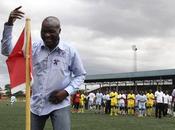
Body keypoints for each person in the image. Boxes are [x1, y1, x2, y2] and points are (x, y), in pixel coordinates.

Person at [1, 6, 86, 130]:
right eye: (44, 31)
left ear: (59, 31)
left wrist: (66, 92)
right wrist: (9, 24)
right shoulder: (32, 48)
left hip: (60, 104)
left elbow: (80, 75)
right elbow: (7, 51)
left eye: (51, 31)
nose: (47, 35)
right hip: (37, 104)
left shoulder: (69, 51)